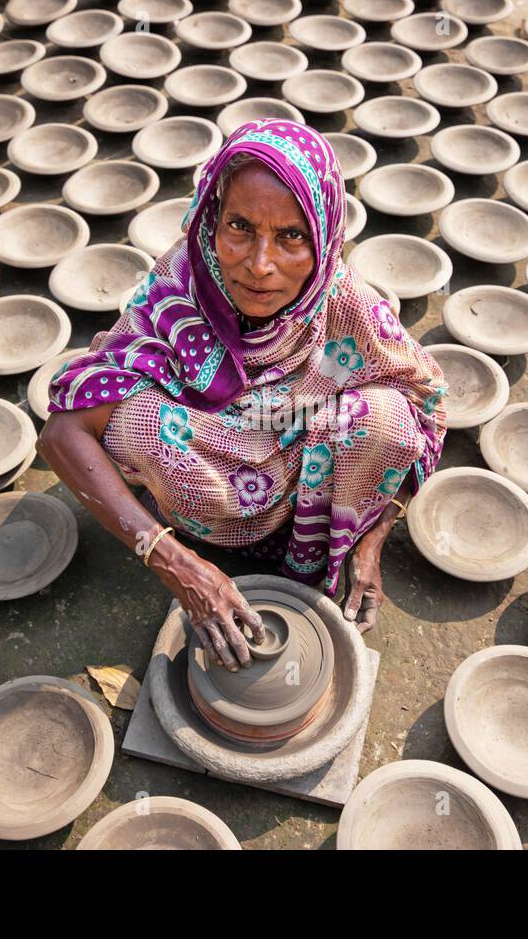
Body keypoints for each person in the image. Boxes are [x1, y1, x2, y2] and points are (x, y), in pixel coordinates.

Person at [39, 118, 446, 673]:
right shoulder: (179, 285)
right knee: (131, 421)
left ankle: (319, 542)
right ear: (211, 219)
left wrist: (373, 535)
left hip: (309, 454)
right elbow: (62, 433)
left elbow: (425, 398)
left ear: (325, 239)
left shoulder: (340, 302)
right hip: (207, 477)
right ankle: (206, 541)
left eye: (291, 236)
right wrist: (174, 563)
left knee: (387, 419)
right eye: (240, 227)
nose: (260, 264)